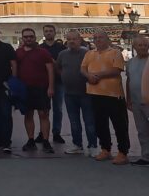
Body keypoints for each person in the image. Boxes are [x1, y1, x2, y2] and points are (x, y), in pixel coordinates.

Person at [82, 30, 129, 165]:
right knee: (100, 124)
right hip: (95, 94)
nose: (98, 40)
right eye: (95, 38)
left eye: (101, 37)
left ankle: (123, 152)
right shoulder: (89, 53)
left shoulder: (115, 53)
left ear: (107, 39)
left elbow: (117, 69)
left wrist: (96, 75)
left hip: (113, 95)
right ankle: (105, 149)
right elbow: (83, 68)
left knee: (119, 124)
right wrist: (88, 76)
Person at [57, 31, 97, 156]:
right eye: (69, 39)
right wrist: (65, 77)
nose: (71, 41)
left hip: (86, 93)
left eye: (74, 39)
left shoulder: (87, 53)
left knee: (89, 121)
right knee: (74, 121)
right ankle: (77, 145)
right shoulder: (62, 54)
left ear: (80, 40)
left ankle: (93, 145)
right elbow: (58, 67)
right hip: (69, 94)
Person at [17, 28, 55, 154]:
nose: (29, 39)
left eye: (31, 36)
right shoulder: (18, 52)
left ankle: (45, 141)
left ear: (35, 37)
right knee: (28, 114)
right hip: (25, 88)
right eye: (26, 36)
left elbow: (50, 70)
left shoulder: (43, 52)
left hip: (41, 88)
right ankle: (31, 140)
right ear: (22, 38)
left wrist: (51, 87)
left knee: (43, 114)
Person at [40, 24, 66, 144]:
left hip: (59, 82)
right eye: (46, 31)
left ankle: (56, 133)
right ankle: (42, 133)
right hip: (43, 83)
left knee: (58, 109)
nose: (49, 33)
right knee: (43, 109)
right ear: (43, 33)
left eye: (51, 31)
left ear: (55, 33)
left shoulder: (61, 48)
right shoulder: (39, 48)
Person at [126, 35, 149, 166]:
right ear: (134, 47)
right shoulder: (130, 62)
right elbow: (129, 81)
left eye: (145, 45)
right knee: (142, 130)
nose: (143, 47)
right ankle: (146, 156)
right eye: (140, 45)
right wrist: (128, 100)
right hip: (136, 102)